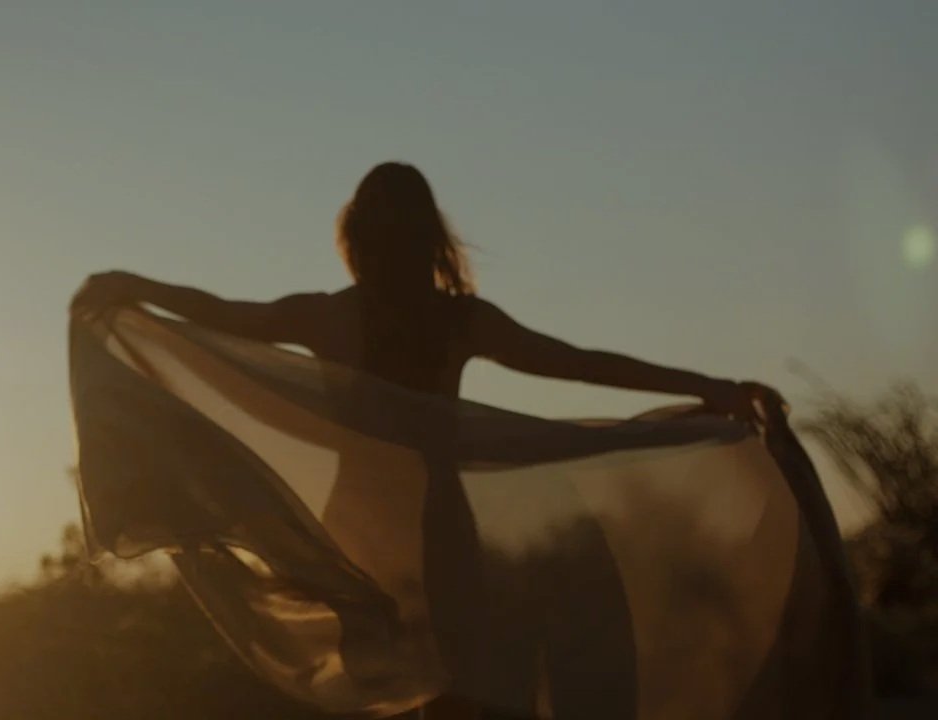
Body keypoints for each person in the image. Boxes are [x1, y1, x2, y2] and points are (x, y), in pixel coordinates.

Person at [71, 161, 778, 719]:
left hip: (361, 529)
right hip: (436, 527)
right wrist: (712, 386)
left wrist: (131, 284)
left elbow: (225, 315)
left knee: (389, 685)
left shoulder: (332, 318)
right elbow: (581, 362)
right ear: (427, 236)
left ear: (359, 236)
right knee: (445, 689)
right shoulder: (457, 322)